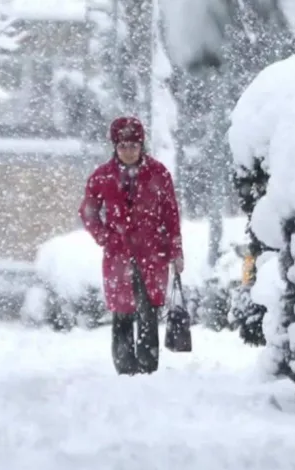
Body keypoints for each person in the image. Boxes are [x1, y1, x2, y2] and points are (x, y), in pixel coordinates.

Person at [79, 116, 184, 375]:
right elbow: (89, 213)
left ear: (142, 146)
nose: (128, 152)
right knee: (123, 312)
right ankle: (125, 368)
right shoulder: (102, 177)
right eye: (123, 146)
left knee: (148, 311)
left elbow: (171, 215)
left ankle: (148, 367)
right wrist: (105, 237)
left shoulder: (158, 174)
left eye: (133, 146)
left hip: (153, 254)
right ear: (115, 147)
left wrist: (176, 251)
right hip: (118, 256)